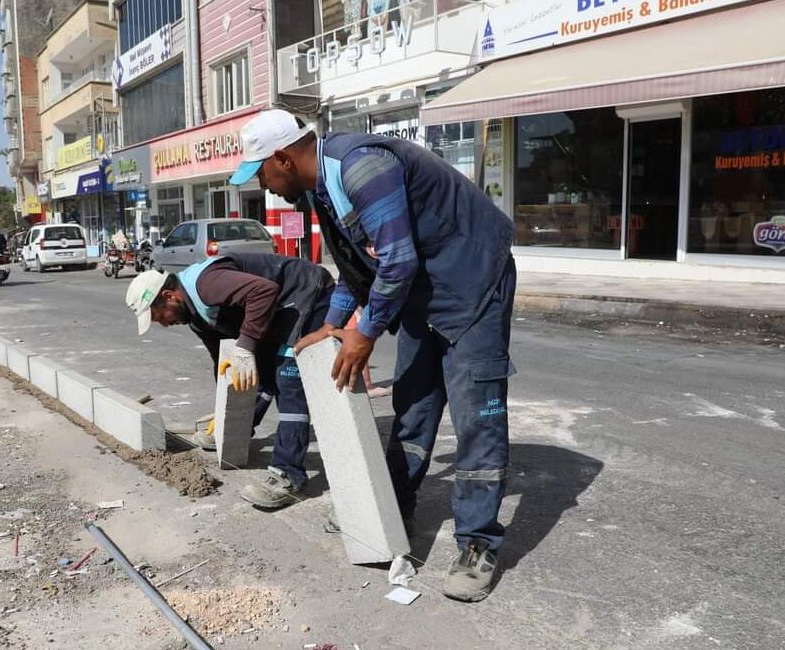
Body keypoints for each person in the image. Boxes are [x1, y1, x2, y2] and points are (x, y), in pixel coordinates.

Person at [229, 109, 517, 602]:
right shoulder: (323, 189)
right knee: (413, 406)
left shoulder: (362, 166)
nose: (264, 186)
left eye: (261, 175)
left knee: (476, 417)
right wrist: (333, 327)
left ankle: (478, 542)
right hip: (423, 294)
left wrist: (364, 331)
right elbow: (358, 273)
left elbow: (398, 259)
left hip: (474, 285)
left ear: (282, 158)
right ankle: (392, 511)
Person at [125, 252, 336, 509]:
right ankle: (237, 432)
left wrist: (246, 346)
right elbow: (221, 361)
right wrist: (222, 414)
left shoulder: (206, 285)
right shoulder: (195, 315)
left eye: (159, 317)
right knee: (262, 374)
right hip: (278, 309)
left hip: (306, 293)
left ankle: (288, 475)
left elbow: (264, 290)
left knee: (288, 383)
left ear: (169, 297)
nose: (164, 325)